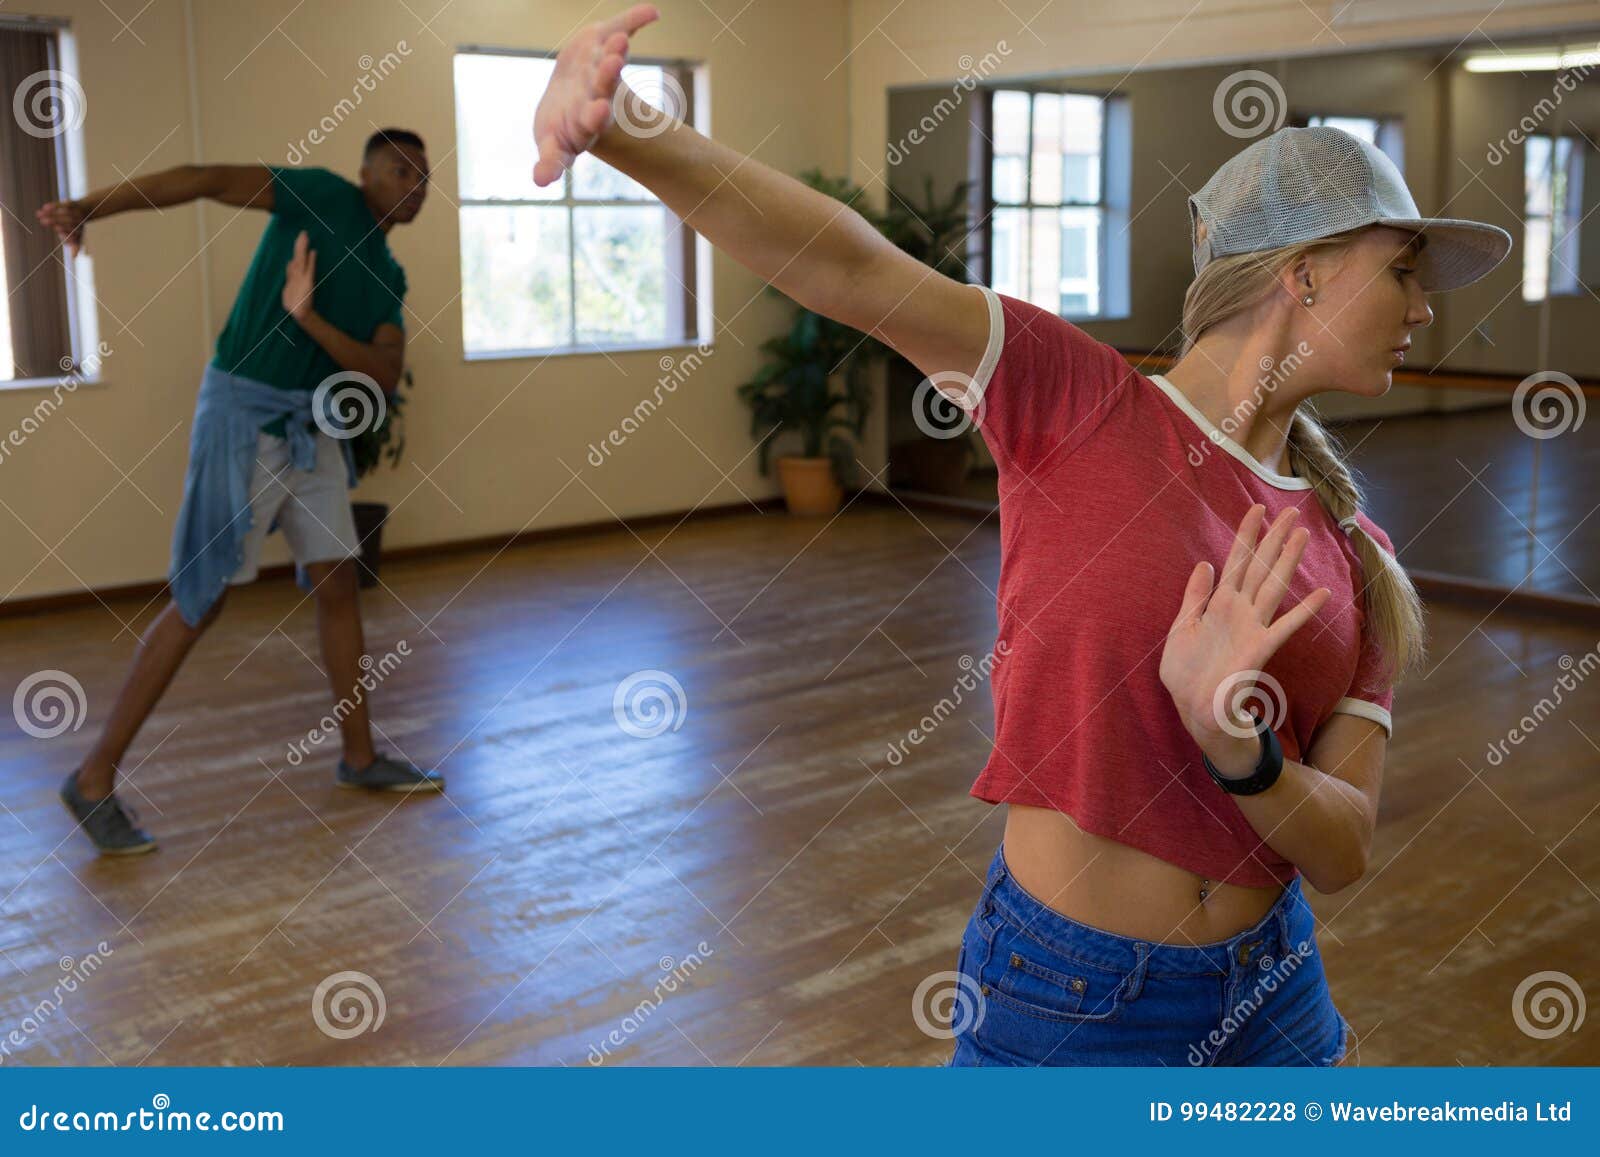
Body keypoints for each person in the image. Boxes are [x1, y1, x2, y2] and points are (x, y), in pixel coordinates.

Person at [536, 7, 1515, 1066]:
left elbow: (1343, 845)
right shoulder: (1078, 402)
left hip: (1274, 996)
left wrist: (1242, 752)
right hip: (1070, 998)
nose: (1422, 307)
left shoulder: (1355, 548)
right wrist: (628, 133)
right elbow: (850, 268)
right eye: (1405, 269)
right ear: (1305, 269)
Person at [38, 129, 446, 857]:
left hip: (312, 425)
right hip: (242, 414)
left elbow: (384, 371)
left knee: (338, 580)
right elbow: (202, 175)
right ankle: (92, 778)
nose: (415, 185)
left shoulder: (387, 273)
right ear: (366, 173)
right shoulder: (323, 196)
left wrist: (309, 318)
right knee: (202, 597)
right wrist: (88, 206)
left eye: (425, 176)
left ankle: (358, 758)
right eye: (401, 170)